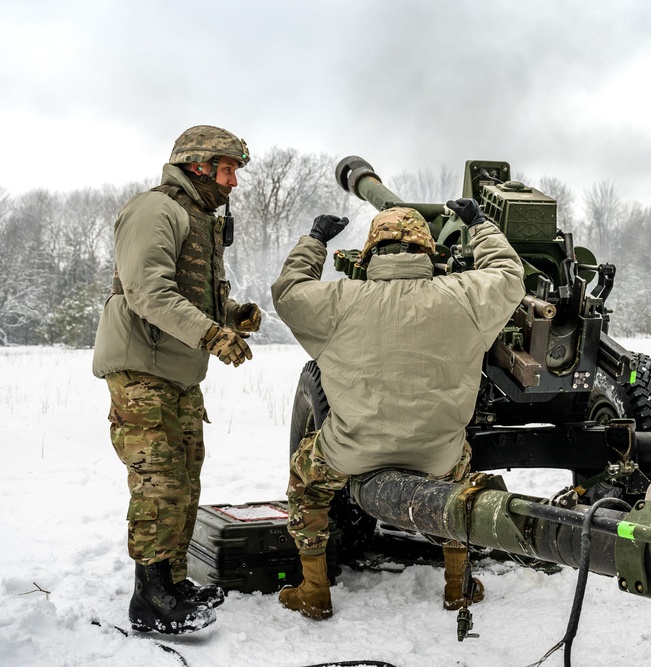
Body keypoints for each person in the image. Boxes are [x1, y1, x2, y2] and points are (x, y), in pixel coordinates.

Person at [271, 200, 524, 619]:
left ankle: (314, 590)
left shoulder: (340, 300)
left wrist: (314, 241)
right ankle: (457, 587)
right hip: (437, 455)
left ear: (369, 254)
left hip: (352, 451)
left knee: (306, 477)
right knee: (458, 479)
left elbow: (289, 291)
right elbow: (508, 273)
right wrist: (480, 224)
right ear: (429, 252)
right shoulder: (463, 296)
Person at [92, 125, 260, 634]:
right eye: (227, 169)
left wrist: (231, 313)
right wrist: (212, 334)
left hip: (177, 371)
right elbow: (145, 291)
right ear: (199, 165)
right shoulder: (155, 209)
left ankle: (173, 582)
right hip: (143, 368)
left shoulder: (199, 219)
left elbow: (190, 295)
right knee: (158, 483)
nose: (233, 182)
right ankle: (150, 601)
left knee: (185, 481)